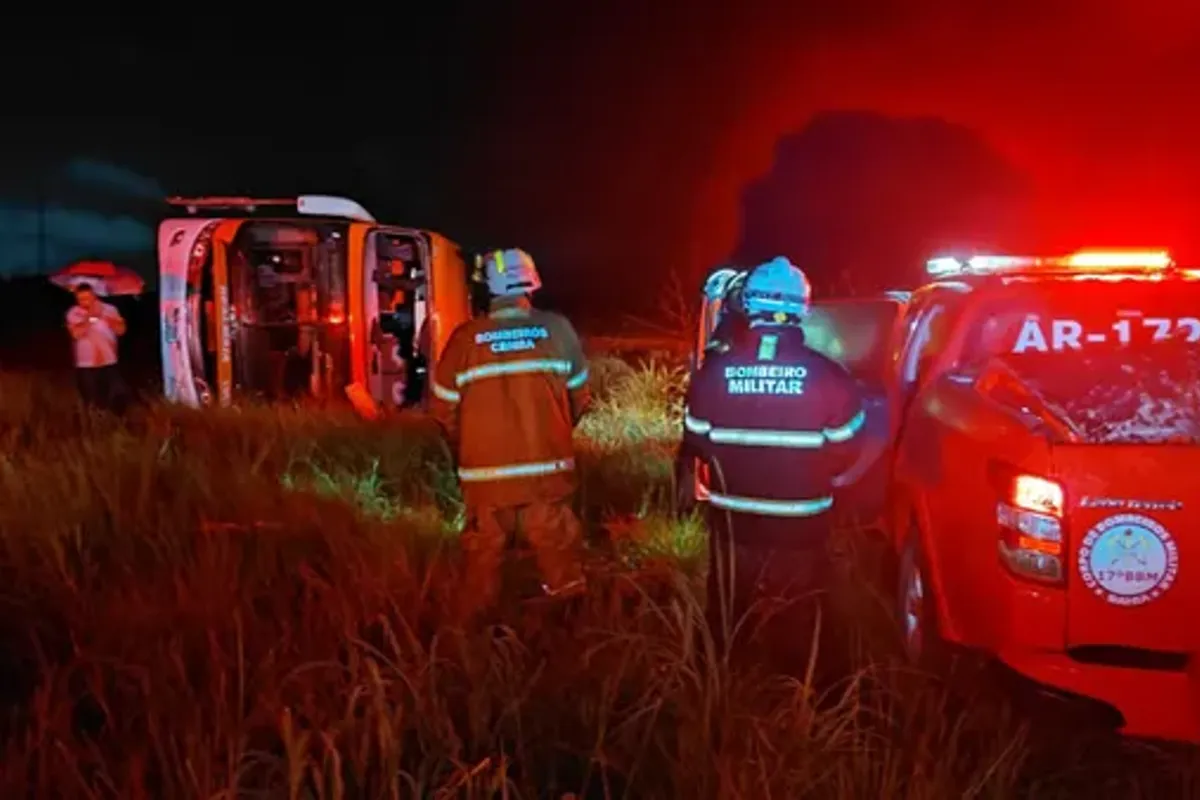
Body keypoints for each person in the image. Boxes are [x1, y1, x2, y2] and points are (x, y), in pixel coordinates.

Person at [679, 256, 867, 658]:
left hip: (733, 523)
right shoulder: (831, 378)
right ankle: (792, 697)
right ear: (802, 308)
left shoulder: (712, 374)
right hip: (801, 525)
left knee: (727, 618)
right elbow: (849, 447)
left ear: (748, 305)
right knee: (798, 619)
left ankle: (724, 694)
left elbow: (696, 444)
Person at [430, 248, 592, 622]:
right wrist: (553, 432)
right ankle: (567, 630)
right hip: (546, 472)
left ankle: (476, 636)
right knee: (558, 555)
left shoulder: (466, 339)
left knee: (481, 561)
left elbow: (443, 410)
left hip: (485, 478)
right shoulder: (557, 329)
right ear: (531, 281)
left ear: (488, 286)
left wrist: (469, 443)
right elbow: (579, 398)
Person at [65, 282, 129, 413]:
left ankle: (117, 422)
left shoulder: (110, 309)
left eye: (87, 298)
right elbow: (76, 334)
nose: (84, 302)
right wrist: (89, 318)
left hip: (109, 360)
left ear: (94, 296)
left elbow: (121, 330)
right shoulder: (74, 313)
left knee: (117, 395)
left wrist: (107, 318)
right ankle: (94, 425)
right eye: (80, 299)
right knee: (91, 399)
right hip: (87, 364)